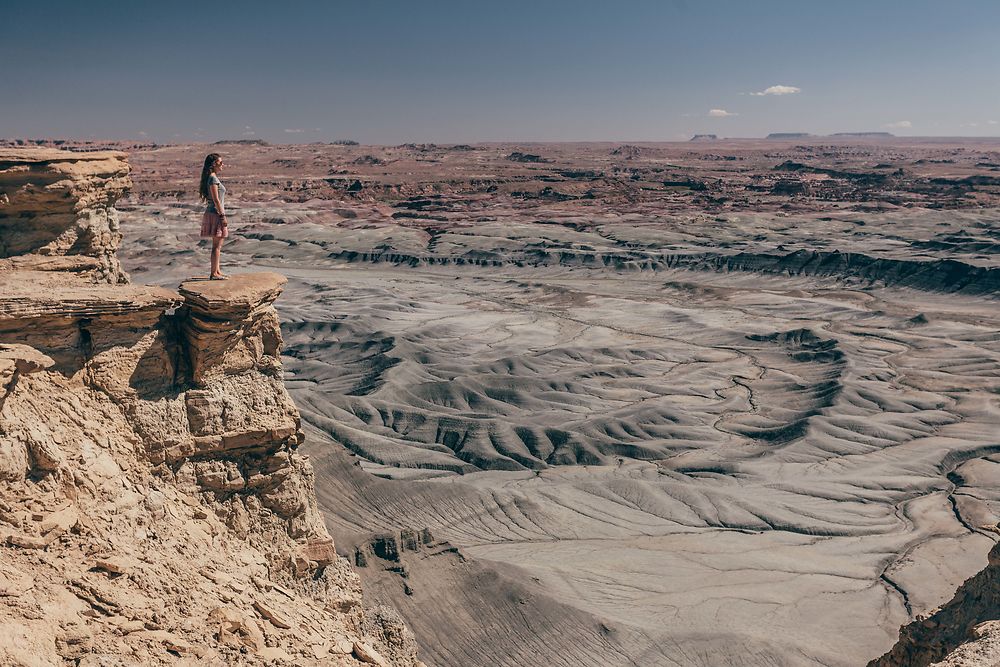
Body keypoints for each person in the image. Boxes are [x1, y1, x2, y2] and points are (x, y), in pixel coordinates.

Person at [198, 153, 229, 279]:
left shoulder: (212, 177)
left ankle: (217, 271)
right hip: (216, 214)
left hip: (214, 213)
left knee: (218, 245)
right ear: (214, 164)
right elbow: (216, 200)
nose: (223, 165)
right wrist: (222, 216)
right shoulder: (213, 178)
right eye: (220, 163)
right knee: (217, 245)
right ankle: (214, 273)